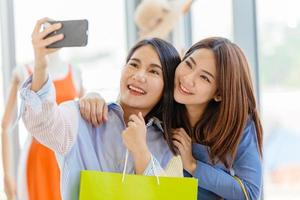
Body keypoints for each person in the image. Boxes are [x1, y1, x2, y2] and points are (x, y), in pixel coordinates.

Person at [20, 18, 182, 200]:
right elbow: (41, 123)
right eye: (134, 64)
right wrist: (41, 63)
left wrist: (141, 151)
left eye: (154, 71)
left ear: (167, 86)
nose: (138, 76)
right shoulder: (83, 117)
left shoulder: (172, 146)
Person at [81, 37, 263, 200]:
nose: (187, 79)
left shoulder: (237, 125)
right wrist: (93, 97)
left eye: (204, 78)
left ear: (219, 94)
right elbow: (126, 104)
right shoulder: (166, 106)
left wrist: (192, 165)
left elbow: (250, 193)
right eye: (189, 64)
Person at [1, 49, 84, 200]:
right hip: (37, 158)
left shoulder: (75, 72)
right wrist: (7, 174)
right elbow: (5, 125)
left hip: (68, 156)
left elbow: (86, 121)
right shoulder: (23, 71)